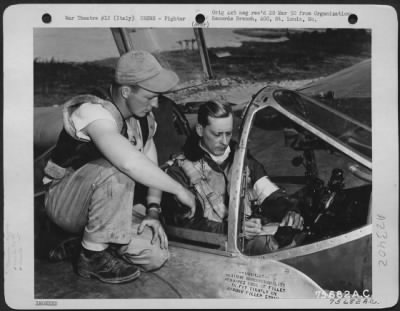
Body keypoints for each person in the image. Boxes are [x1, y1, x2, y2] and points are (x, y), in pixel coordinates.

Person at [42, 50, 195, 284]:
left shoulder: (143, 117)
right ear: (126, 91)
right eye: (149, 97)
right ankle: (92, 256)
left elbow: (149, 163)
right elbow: (129, 162)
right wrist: (180, 190)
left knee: (154, 255)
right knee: (117, 168)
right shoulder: (94, 111)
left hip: (105, 202)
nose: (155, 104)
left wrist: (153, 210)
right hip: (67, 202)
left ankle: (82, 243)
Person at [163, 101, 304, 255]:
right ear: (200, 130)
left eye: (228, 133)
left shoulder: (242, 159)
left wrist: (290, 211)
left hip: (245, 238)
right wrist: (235, 228)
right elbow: (186, 226)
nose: (224, 142)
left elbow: (270, 193)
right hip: (213, 250)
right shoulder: (179, 171)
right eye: (217, 134)